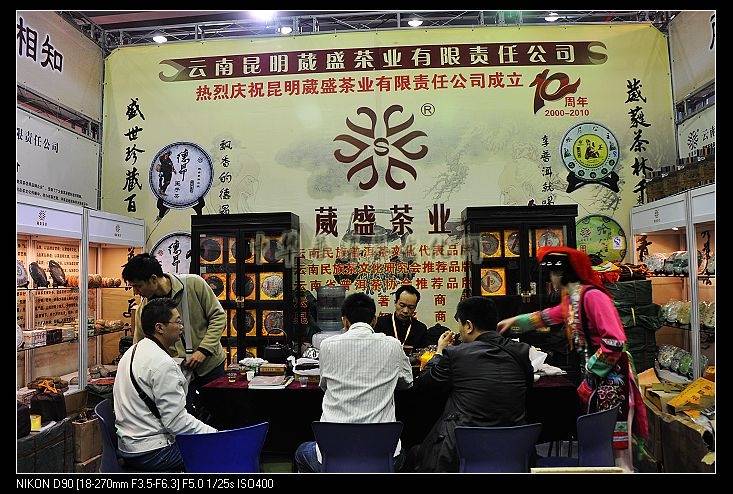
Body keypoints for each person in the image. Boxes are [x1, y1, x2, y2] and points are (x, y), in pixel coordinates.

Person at [497, 246, 649, 471]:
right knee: (600, 441)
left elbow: (615, 341)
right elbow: (548, 316)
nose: (551, 278)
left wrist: (592, 374)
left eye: (553, 272)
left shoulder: (593, 297)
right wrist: (514, 322)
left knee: (615, 445)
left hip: (612, 379)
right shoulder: (574, 298)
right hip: (599, 379)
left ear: (562, 273)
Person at [407, 296, 533, 472]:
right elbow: (528, 386)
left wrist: (439, 352)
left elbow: (425, 384)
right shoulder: (521, 351)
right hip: (512, 450)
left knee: (413, 454)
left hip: (461, 451)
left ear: (468, 326)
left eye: (460, 324)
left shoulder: (455, 354)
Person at [295, 292, 413, 472]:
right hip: (383, 458)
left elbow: (324, 385)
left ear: (344, 321)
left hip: (332, 457)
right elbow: (408, 381)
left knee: (302, 451)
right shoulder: (393, 345)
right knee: (404, 453)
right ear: (374, 320)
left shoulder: (327, 345)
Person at [113, 298, 217, 472]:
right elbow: (176, 422)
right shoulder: (162, 364)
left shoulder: (133, 350)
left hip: (129, 445)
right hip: (152, 452)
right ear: (159, 328)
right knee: (217, 451)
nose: (182, 327)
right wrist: (216, 435)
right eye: (177, 322)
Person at [122, 253, 226, 417]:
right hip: (178, 374)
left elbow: (218, 317)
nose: (136, 292)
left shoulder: (194, 284)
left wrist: (204, 350)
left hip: (210, 366)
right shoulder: (145, 310)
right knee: (185, 418)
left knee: (219, 414)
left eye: (138, 286)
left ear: (153, 279)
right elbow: (140, 345)